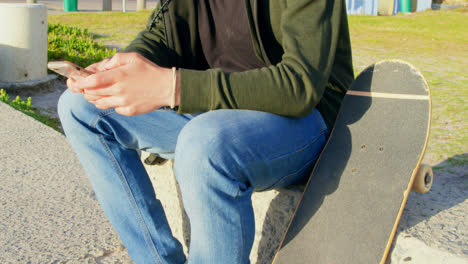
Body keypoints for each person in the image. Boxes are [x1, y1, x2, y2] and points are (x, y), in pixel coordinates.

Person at [57, 0, 354, 263]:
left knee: (204, 143)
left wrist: (172, 87)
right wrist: (121, 72)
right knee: (80, 107)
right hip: (211, 112)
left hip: (301, 118)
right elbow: (165, 35)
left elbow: (299, 85)